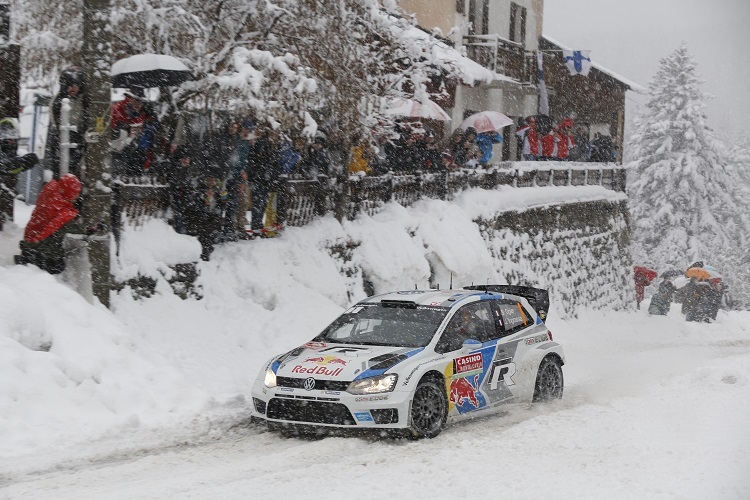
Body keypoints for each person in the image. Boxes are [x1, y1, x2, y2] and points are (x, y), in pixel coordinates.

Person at [15, 174, 88, 274]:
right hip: (38, 247)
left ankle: (30, 255)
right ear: (69, 192)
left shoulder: (51, 190)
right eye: (75, 193)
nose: (77, 196)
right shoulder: (63, 211)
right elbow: (77, 230)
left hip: (30, 236)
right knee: (59, 266)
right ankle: (35, 261)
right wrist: (91, 229)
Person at [45, 66, 86, 178]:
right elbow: (57, 123)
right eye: (70, 86)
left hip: (79, 139)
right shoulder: (58, 101)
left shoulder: (83, 99)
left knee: (76, 172)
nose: (73, 88)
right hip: (63, 139)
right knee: (62, 171)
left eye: (76, 85)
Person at [111, 91, 159, 175]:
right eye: (136, 101)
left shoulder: (141, 114)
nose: (138, 105)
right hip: (113, 145)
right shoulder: (117, 108)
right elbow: (111, 128)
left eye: (140, 103)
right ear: (131, 99)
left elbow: (135, 133)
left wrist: (130, 136)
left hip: (124, 149)